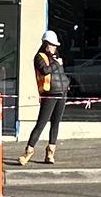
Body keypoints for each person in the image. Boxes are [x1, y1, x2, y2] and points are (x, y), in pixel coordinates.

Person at [19, 29, 68, 167]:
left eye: (55, 45)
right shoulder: (39, 57)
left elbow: (60, 75)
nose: (55, 47)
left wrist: (66, 83)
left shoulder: (56, 58)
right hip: (49, 94)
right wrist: (57, 64)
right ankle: (28, 151)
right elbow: (45, 70)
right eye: (52, 45)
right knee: (41, 124)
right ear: (46, 44)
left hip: (62, 93)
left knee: (55, 123)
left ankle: (50, 152)